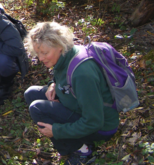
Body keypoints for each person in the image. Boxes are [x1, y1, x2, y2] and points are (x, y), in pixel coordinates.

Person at [24, 22, 119, 165]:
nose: (41, 58)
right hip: (80, 107)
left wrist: (57, 130)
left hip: (101, 127)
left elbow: (94, 121)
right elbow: (63, 77)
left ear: (60, 46)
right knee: (31, 93)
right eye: (38, 53)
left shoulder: (82, 74)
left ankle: (82, 150)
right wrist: (53, 84)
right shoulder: (66, 55)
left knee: (37, 108)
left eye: (45, 53)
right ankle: (74, 142)